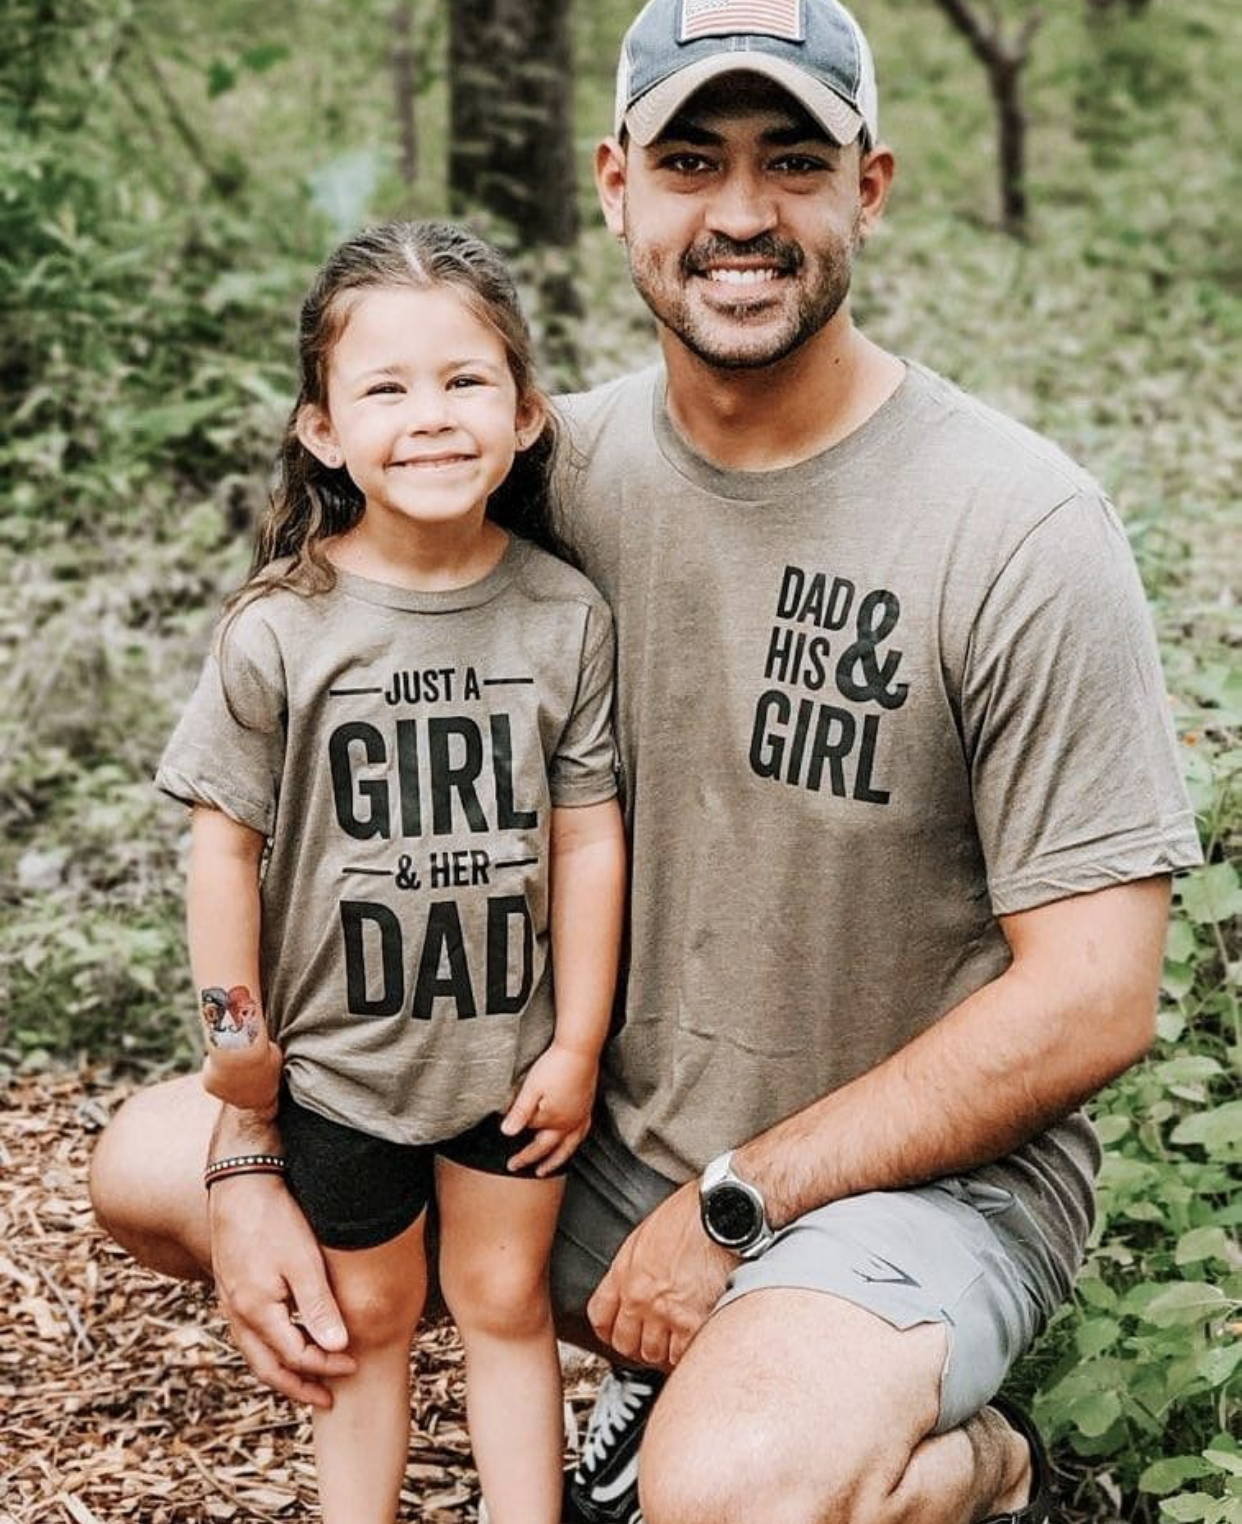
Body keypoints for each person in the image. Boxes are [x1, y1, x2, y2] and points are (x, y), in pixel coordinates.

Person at [90, 4, 1203, 1522]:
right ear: (616, 185)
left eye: (790, 160)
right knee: (156, 1163)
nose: (738, 213)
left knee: (727, 1494)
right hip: (580, 1140)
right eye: (691, 160)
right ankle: (653, 1364)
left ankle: (963, 1459)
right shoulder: (534, 476)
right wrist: (246, 1151)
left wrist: (740, 1205)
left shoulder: (1012, 527)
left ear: (866, 186)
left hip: (903, 1192)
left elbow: (1095, 994)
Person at [150, 219, 627, 1524]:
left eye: (464, 381)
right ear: (321, 430)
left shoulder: (560, 614)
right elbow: (221, 846)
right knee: (367, 1317)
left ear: (525, 415)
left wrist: (575, 1043)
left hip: (508, 1058)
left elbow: (588, 834)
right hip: (340, 1068)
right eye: (385, 387)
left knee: (503, 1306)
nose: (429, 417)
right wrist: (232, 1038)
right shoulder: (283, 627)